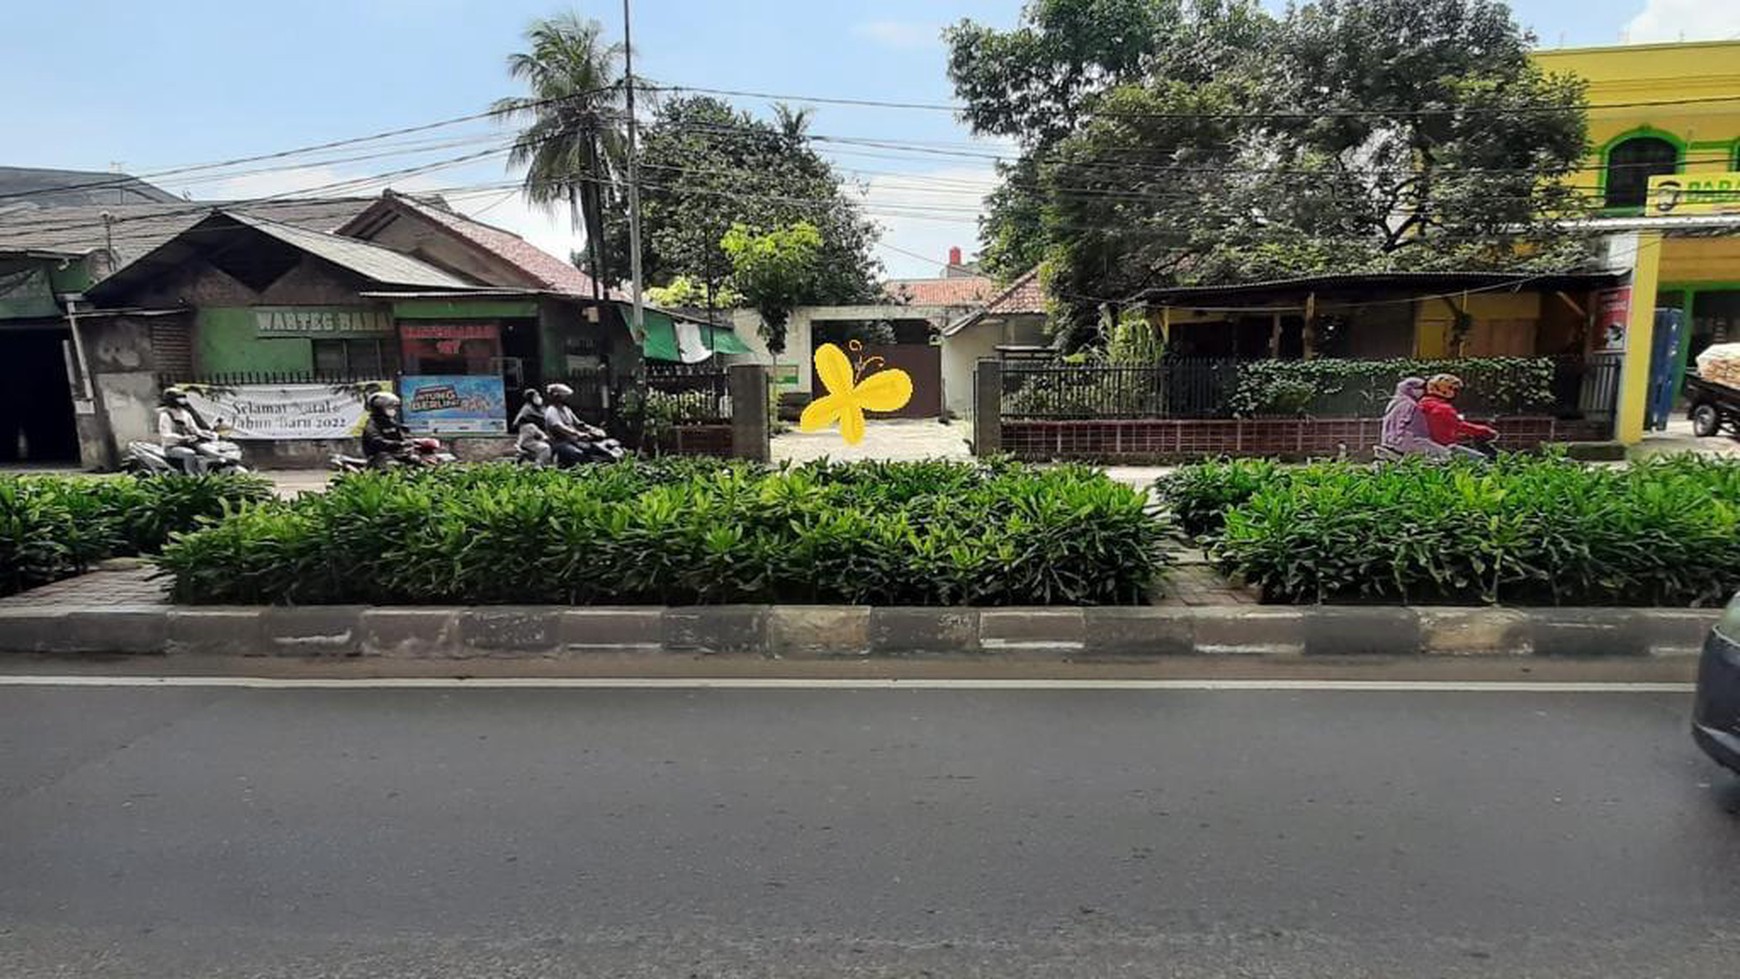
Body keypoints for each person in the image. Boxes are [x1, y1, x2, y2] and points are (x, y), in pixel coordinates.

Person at [1418, 373, 1499, 461]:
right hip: (1445, 447)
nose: (1455, 393)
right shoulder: (1442, 408)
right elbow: (1459, 425)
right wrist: (1486, 431)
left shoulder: (1422, 404)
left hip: (1426, 446)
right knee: (1482, 460)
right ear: (1446, 390)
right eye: (1454, 389)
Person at [1378, 377, 1449, 460]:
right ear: (1410, 389)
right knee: (1445, 455)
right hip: (1407, 441)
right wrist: (1398, 440)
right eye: (1420, 388)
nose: (1423, 391)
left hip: (1392, 441)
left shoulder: (1396, 401)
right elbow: (1400, 423)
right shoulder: (1408, 404)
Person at [157, 386, 217, 474]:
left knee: (207, 452)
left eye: (183, 397)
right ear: (172, 400)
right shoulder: (166, 415)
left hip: (189, 444)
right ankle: (192, 477)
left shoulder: (185, 413)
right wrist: (182, 438)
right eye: (179, 398)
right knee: (189, 454)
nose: (183, 400)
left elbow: (194, 429)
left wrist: (207, 434)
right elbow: (165, 434)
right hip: (172, 447)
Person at [542, 383, 597, 467]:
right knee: (577, 454)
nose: (565, 398)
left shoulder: (566, 409)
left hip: (572, 440)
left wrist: (592, 428)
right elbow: (559, 427)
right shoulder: (551, 411)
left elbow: (578, 423)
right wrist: (577, 433)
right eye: (563, 396)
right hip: (559, 442)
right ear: (556, 396)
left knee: (591, 448)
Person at [361, 391, 415, 469]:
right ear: (379, 408)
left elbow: (403, 433)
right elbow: (375, 440)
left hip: (396, 454)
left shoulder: (391, 422)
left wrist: (409, 439)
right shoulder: (372, 424)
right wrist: (397, 444)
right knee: (393, 467)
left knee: (418, 461)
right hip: (379, 456)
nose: (394, 410)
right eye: (390, 407)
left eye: (395, 408)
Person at [512, 388, 553, 467]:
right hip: (529, 437)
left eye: (538, 395)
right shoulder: (527, 409)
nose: (539, 397)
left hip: (535, 435)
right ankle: (538, 466)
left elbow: (545, 416)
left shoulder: (539, 407)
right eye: (536, 396)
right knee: (545, 448)